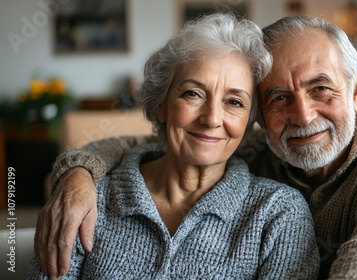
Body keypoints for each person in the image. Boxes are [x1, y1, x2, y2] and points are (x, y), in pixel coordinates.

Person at [35, 16, 357, 279]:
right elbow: (148, 144)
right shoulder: (259, 147)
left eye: (321, 89)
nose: (304, 115)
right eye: (278, 97)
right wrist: (78, 173)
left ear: (355, 90)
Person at [28, 13, 319, 279]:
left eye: (234, 102)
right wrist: (76, 173)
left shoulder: (278, 214)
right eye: (193, 93)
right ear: (162, 106)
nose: (212, 119)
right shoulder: (88, 199)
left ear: (250, 121)